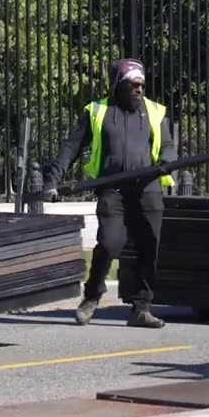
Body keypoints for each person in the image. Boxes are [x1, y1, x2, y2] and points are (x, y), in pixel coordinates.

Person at [44, 58, 177, 329]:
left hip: (147, 188)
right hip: (112, 188)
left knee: (148, 247)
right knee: (109, 243)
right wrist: (53, 180)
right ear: (118, 85)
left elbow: (167, 146)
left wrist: (166, 159)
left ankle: (141, 308)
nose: (139, 90)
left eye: (141, 85)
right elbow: (72, 146)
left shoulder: (154, 111)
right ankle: (92, 296)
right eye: (133, 85)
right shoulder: (98, 111)